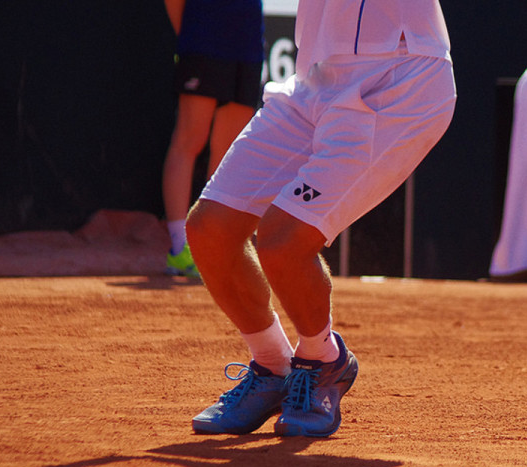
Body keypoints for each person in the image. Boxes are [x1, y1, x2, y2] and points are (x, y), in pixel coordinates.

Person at [186, 0, 457, 437]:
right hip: (315, 79)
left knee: (282, 241)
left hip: (400, 81)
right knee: (209, 230)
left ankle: (322, 360)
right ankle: (273, 366)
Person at [161, 0, 265, 278]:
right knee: (189, 140)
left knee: (230, 153)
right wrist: (190, 37)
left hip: (248, 45)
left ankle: (212, 244)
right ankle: (180, 249)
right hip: (202, 41)